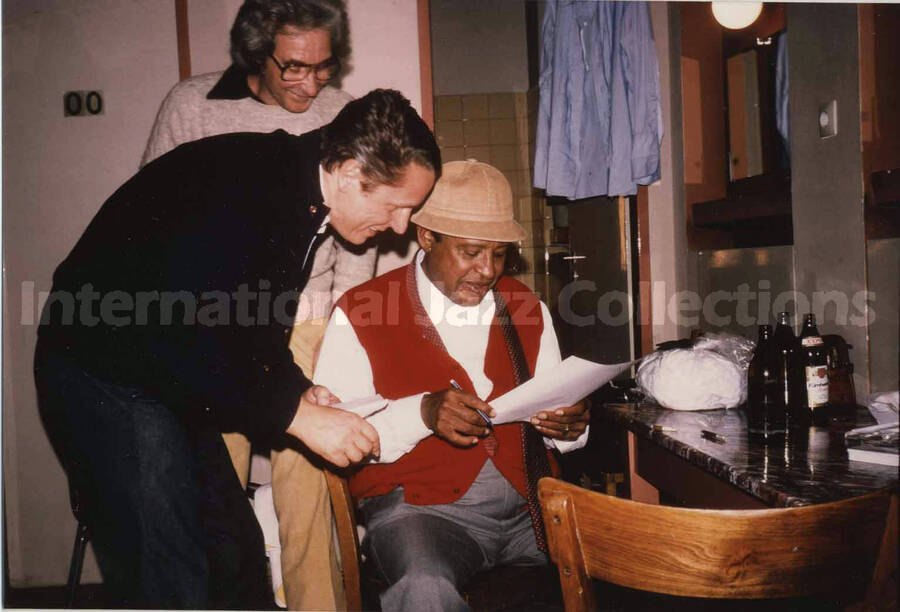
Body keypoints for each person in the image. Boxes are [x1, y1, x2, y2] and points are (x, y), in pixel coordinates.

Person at [34, 89, 439, 610]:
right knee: (176, 571)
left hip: (164, 374)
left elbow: (248, 333)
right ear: (346, 170)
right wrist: (294, 417)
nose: (402, 227)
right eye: (396, 206)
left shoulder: (298, 194)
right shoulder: (249, 185)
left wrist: (300, 391)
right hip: (103, 373)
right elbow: (184, 333)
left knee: (237, 556)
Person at [141, 2, 372, 607]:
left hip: (309, 315)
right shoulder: (192, 106)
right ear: (255, 51)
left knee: (311, 480)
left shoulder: (339, 112)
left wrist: (337, 317)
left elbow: (359, 226)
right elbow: (155, 213)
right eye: (293, 66)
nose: (309, 83)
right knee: (217, 478)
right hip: (218, 320)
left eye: (323, 67)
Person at [314, 160, 591, 611]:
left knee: (627, 567)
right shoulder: (362, 308)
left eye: (499, 254)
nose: (487, 270)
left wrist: (571, 427)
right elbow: (339, 432)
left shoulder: (525, 305)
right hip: (422, 512)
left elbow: (558, 410)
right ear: (427, 237)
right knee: (424, 586)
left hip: (532, 512)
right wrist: (421, 413)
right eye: (471, 251)